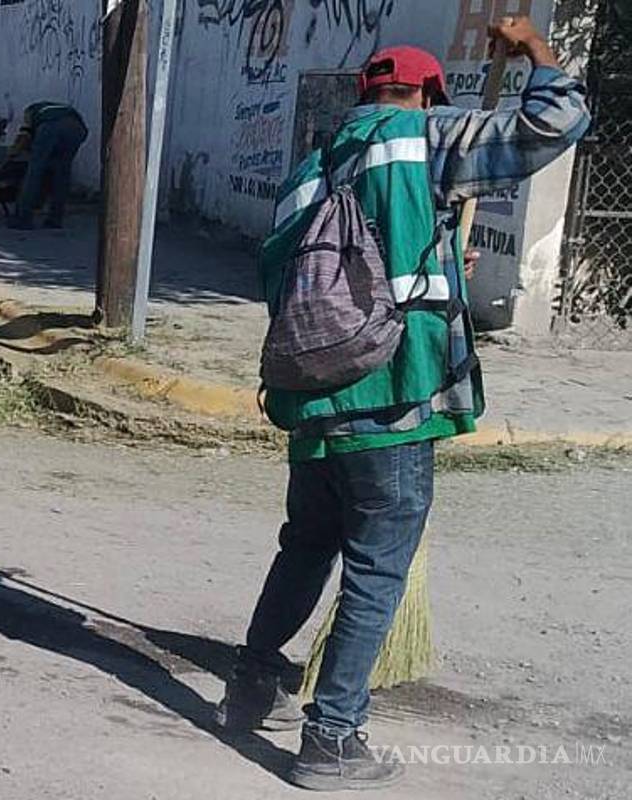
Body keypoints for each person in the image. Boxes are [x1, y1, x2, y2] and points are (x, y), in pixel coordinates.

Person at [223, 17, 589, 792]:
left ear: (365, 93)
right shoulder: (427, 138)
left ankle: (252, 683)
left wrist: (436, 261)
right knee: (377, 566)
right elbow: (555, 121)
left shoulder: (315, 165)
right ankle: (331, 738)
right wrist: (535, 49)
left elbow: (289, 277)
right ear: (427, 94)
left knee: (306, 545)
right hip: (389, 395)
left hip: (313, 394)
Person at [8, 102, 88, 230]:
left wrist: (13, 152)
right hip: (77, 129)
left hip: (51, 127)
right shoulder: (55, 108)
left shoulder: (30, 110)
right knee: (62, 174)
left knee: (34, 172)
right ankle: (55, 219)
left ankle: (23, 218)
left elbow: (24, 135)